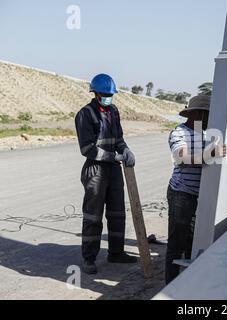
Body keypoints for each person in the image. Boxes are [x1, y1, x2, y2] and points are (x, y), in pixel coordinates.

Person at [75, 74, 137, 275]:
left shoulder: (113, 111)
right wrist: (114, 156)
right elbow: (87, 149)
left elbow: (118, 137)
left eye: (111, 94)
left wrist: (126, 150)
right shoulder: (85, 114)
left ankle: (116, 252)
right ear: (95, 93)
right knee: (93, 216)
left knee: (117, 213)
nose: (108, 97)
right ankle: (89, 258)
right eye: (105, 94)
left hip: (113, 169)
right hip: (96, 169)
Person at [166, 95, 227, 284]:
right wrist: (209, 154)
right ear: (200, 113)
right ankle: (169, 286)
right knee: (177, 243)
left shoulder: (207, 133)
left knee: (193, 242)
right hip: (182, 195)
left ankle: (185, 284)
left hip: (200, 195)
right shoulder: (179, 132)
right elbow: (182, 158)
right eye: (209, 114)